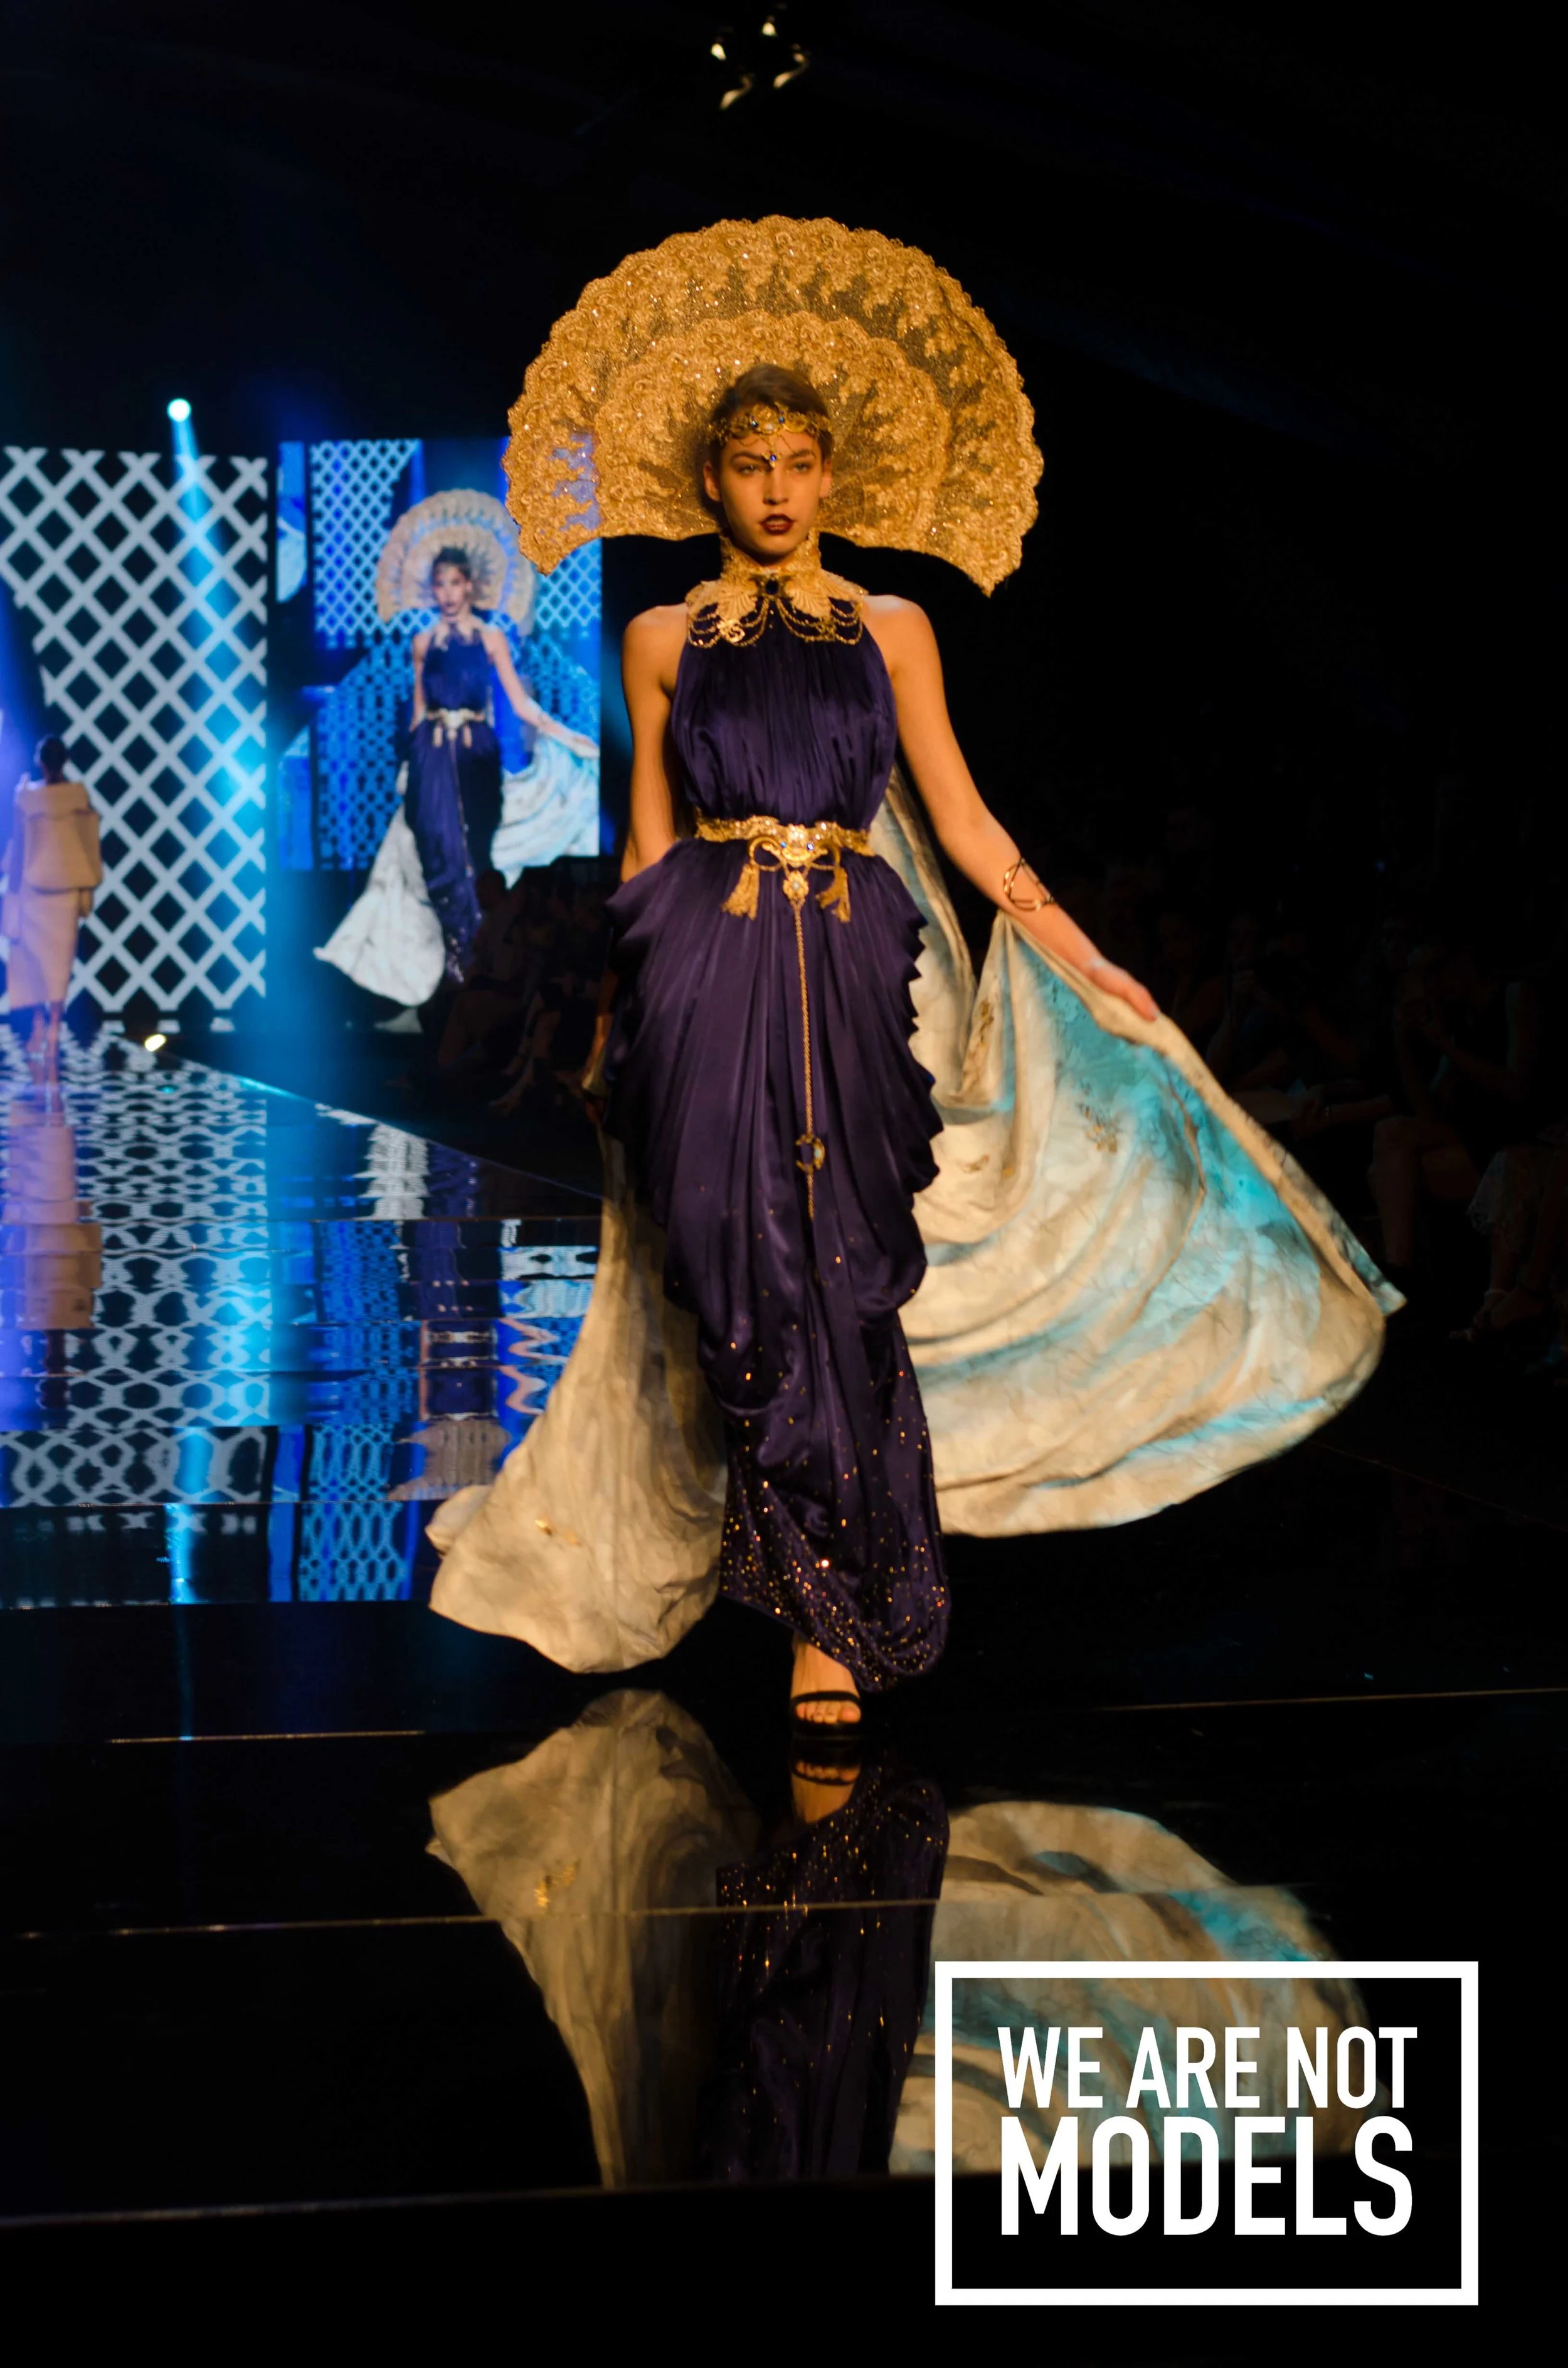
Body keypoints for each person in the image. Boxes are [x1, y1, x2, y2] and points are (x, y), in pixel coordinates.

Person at [430, 218, 1396, 1741]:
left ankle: (827, 1610)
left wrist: (1083, 951)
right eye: (749, 464)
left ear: (832, 476)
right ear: (708, 480)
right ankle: (791, 1561)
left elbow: (962, 818)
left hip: (849, 961)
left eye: (798, 463)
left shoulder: (893, 629)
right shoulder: (661, 635)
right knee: (732, 1282)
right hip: (705, 965)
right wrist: (615, 1016)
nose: (775, 488)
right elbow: (647, 840)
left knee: (837, 1268)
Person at [410, 547, 596, 982]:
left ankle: (482, 953)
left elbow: (520, 703)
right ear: (433, 589)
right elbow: (419, 708)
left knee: (476, 849)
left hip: (476, 753)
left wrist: (567, 735)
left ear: (469, 586)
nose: (448, 593)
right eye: (440, 584)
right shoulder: (423, 643)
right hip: (432, 755)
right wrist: (407, 766)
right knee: (439, 852)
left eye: (456, 583)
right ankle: (455, 956)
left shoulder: (490, 638)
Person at [1, 735, 101, 1080]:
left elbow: (19, 844)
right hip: (62, 889)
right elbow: (89, 843)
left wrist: (12, 887)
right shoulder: (75, 795)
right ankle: (52, 1026)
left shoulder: (29, 797)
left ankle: (42, 1025)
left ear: (41, 762)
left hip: (38, 889)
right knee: (56, 963)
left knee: (37, 961)